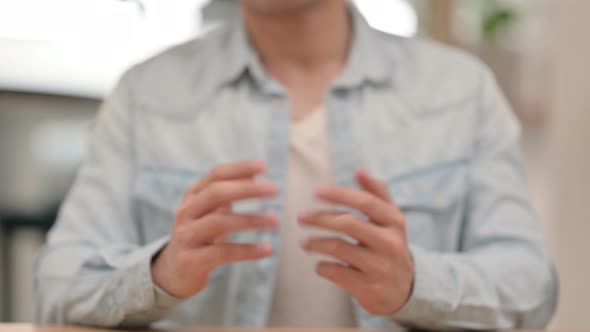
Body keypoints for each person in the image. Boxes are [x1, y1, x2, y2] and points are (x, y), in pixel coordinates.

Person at [35, 0, 558, 330]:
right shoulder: (146, 94)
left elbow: (532, 288)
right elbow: (57, 285)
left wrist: (416, 284)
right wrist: (161, 272)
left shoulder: (461, 91)